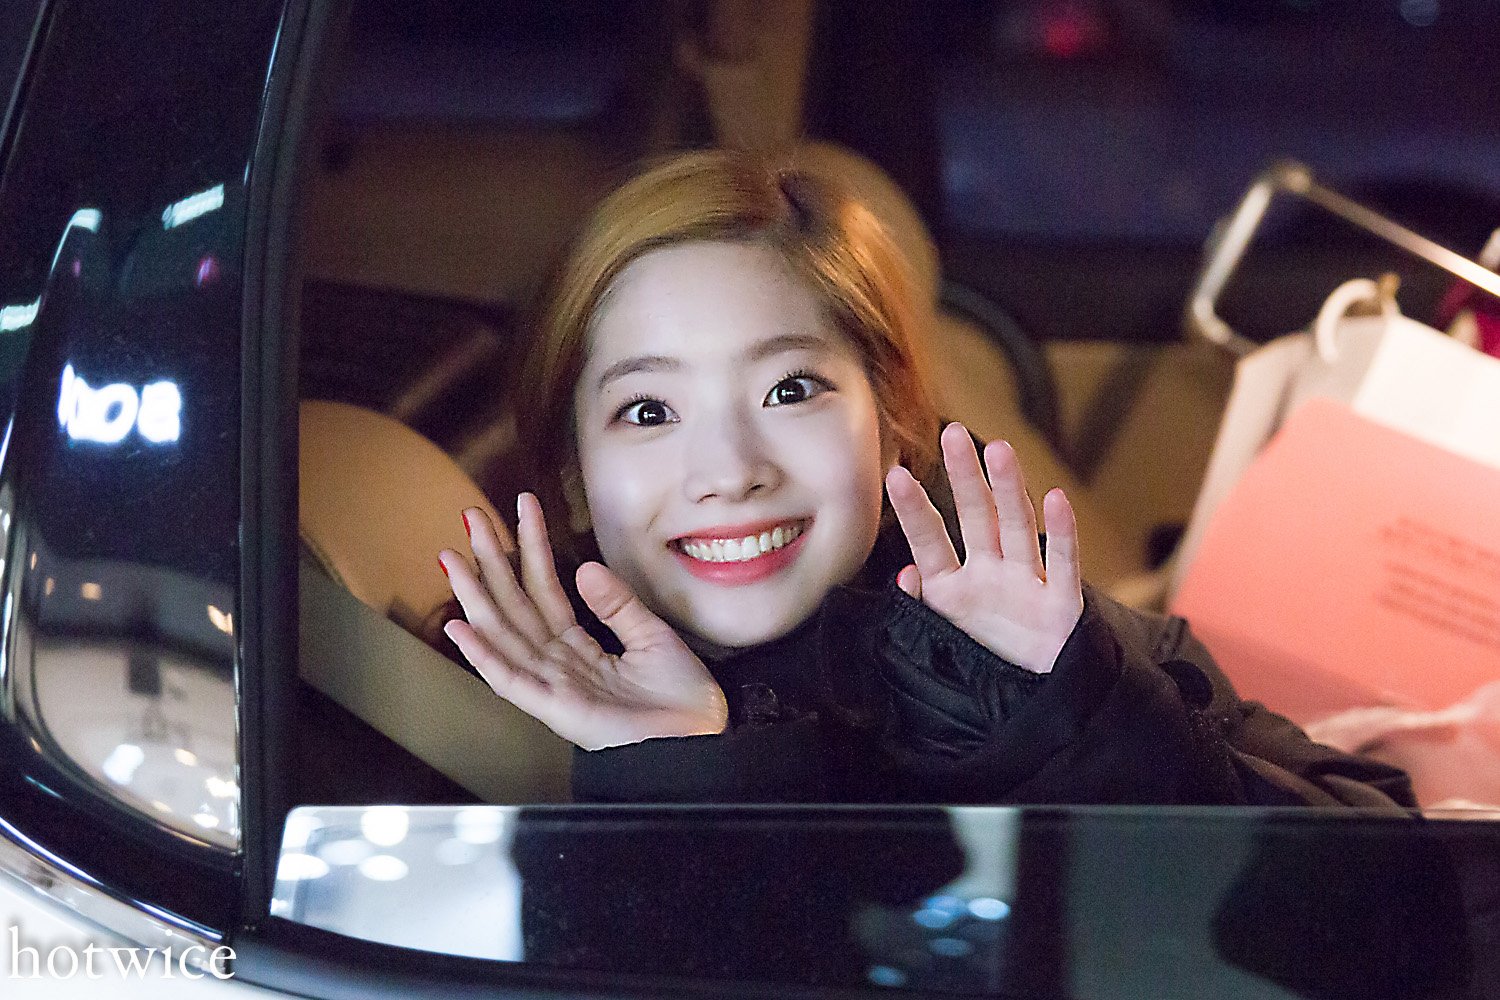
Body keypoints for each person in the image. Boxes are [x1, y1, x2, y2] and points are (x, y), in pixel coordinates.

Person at [438, 148, 1414, 807]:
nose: (730, 472)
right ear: (572, 471)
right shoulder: (506, 712)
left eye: (789, 390)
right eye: (649, 411)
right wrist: (686, 767)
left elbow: (1417, 896)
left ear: (892, 424)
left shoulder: (1025, 628)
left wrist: (1071, 718)